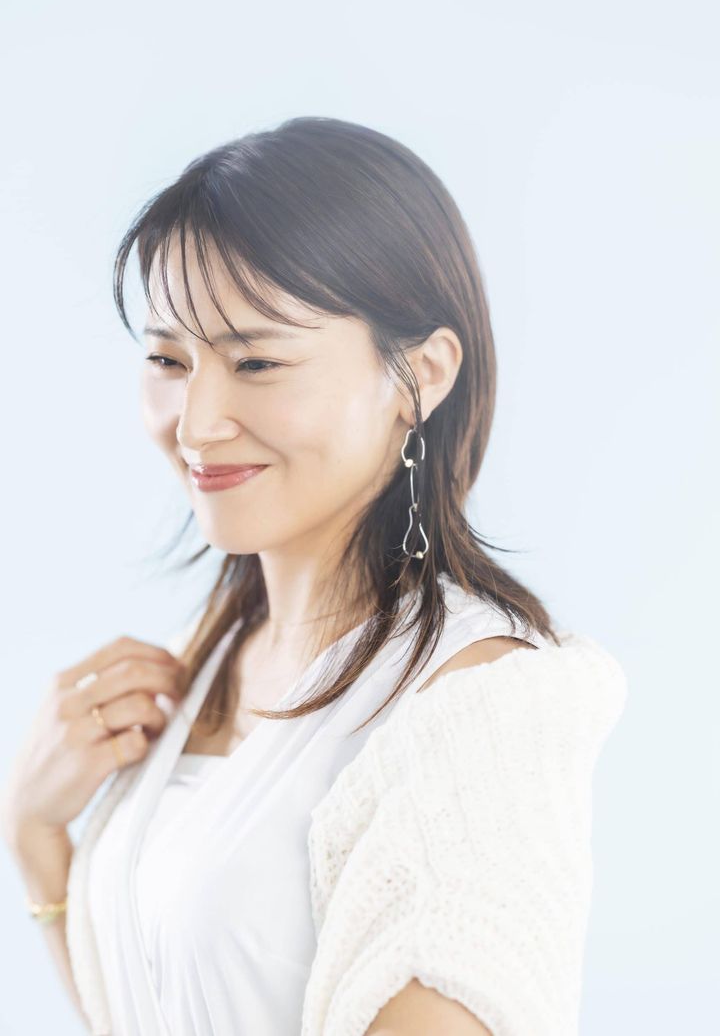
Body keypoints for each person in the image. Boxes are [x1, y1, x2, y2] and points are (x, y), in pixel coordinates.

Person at [1, 118, 626, 1036]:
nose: (195, 423)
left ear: (420, 375)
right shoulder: (203, 656)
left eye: (257, 362)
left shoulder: (481, 707)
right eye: (168, 359)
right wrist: (35, 836)